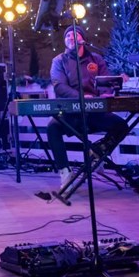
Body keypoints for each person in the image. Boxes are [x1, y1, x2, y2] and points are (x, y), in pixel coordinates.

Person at [46, 26, 130, 191]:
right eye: (68, 36)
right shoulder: (59, 61)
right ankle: (65, 172)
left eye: (75, 35)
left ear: (82, 39)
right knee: (52, 128)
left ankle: (97, 154)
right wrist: (81, 97)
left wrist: (106, 93)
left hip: (95, 112)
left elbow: (106, 81)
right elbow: (59, 86)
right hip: (72, 113)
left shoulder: (96, 59)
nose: (71, 38)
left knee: (121, 126)